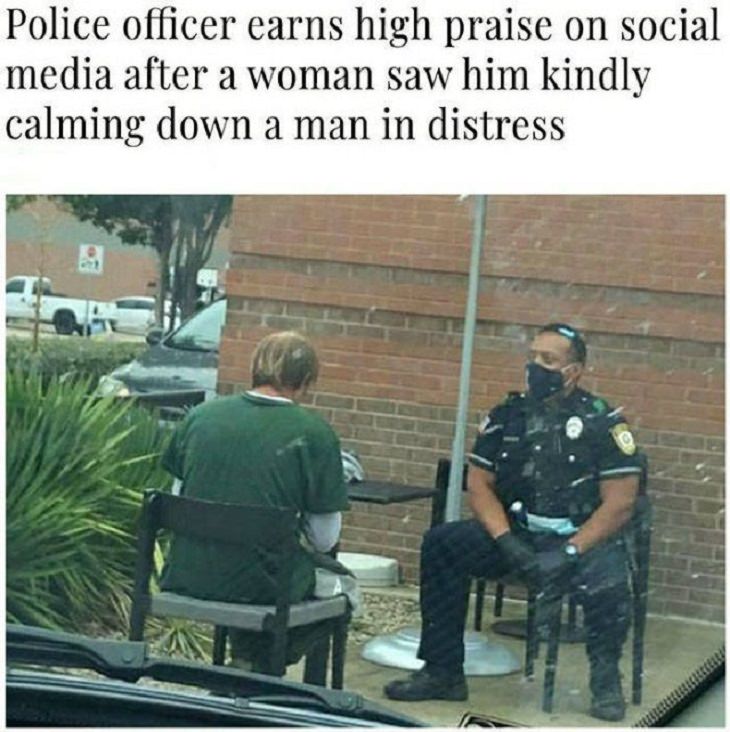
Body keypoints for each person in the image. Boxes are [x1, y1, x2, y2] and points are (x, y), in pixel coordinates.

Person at [384, 323, 642, 722]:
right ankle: (442, 671)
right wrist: (506, 542)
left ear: (574, 371)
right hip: (518, 536)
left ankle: (605, 682)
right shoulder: (508, 416)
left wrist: (571, 551)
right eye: (533, 357)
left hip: (580, 542)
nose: (536, 367)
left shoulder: (602, 421)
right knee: (442, 544)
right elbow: (479, 484)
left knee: (609, 578)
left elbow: (621, 503)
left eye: (549, 360)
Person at [159, 330, 350, 671]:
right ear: (306, 381)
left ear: (254, 368)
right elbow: (325, 539)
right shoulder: (315, 433)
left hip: (188, 573)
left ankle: (244, 662)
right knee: (343, 589)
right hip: (265, 587)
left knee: (247, 565)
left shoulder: (199, 417)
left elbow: (177, 498)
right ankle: (260, 668)